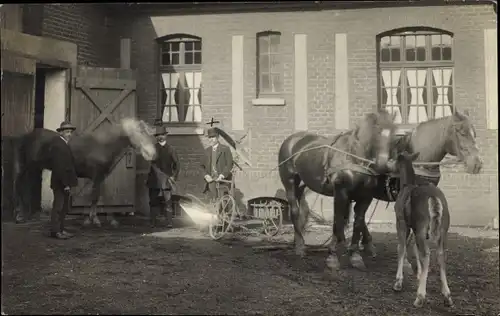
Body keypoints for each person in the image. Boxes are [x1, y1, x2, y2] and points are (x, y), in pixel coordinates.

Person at [49, 121, 79, 240]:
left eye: (71, 132)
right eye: (67, 132)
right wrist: (66, 184)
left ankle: (60, 229)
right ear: (61, 132)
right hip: (60, 183)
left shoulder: (64, 144)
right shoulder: (58, 146)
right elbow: (59, 167)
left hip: (63, 182)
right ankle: (56, 231)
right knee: (58, 207)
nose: (69, 134)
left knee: (63, 208)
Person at [146, 125, 180, 228]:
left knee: (168, 201)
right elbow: (149, 162)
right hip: (154, 179)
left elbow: (177, 165)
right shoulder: (152, 148)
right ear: (156, 137)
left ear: (166, 136)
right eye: (158, 135)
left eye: (162, 134)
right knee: (153, 201)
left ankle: (169, 222)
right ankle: (153, 222)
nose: (160, 136)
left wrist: (174, 176)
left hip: (166, 180)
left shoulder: (171, 149)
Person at [201, 127, 234, 202]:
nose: (211, 139)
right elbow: (201, 166)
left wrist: (222, 175)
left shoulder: (225, 149)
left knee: (222, 202)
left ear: (218, 137)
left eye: (213, 137)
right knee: (212, 201)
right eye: (209, 137)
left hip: (223, 181)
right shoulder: (207, 151)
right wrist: (206, 175)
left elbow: (229, 164)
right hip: (211, 181)